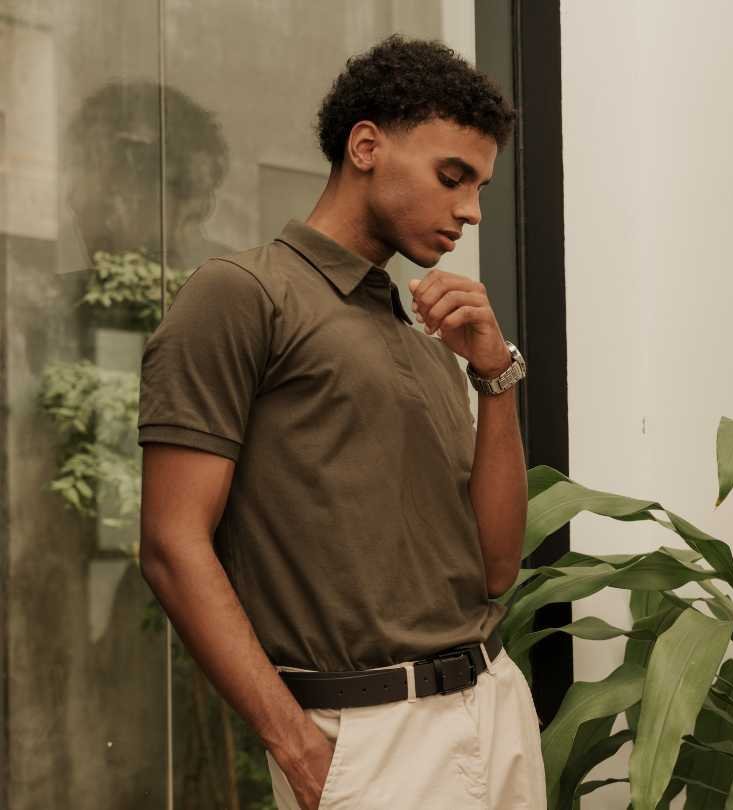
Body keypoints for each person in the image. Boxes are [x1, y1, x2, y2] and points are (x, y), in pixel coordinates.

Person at [137, 33, 546, 810]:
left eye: (480, 187)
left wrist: (495, 377)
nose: (471, 211)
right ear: (366, 147)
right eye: (452, 177)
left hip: (494, 706)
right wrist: (296, 746)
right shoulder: (243, 295)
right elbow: (170, 544)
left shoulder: (426, 341)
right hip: (366, 736)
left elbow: (496, 570)